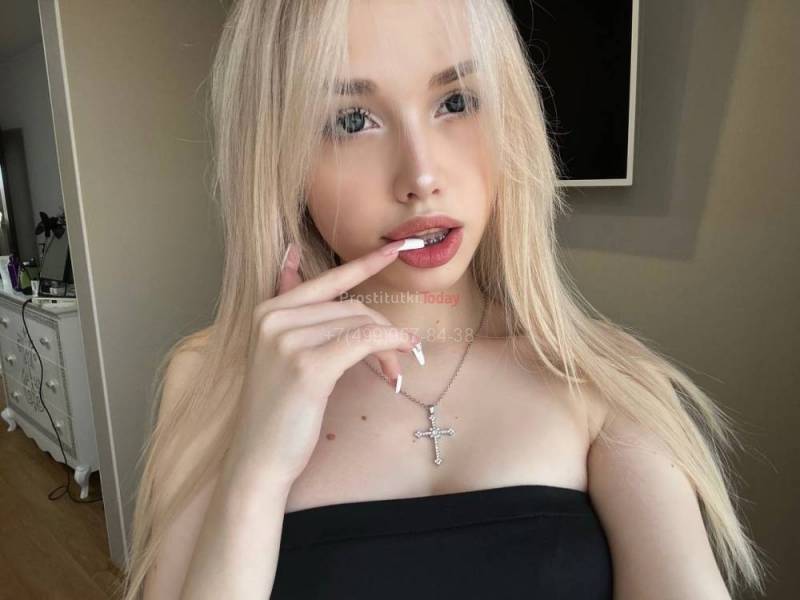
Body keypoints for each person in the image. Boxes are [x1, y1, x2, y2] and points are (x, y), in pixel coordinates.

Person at [120, 1, 768, 598]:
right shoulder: (211, 380)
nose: (421, 176)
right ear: (278, 158)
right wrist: (257, 469)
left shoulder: (610, 381)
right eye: (351, 120)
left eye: (456, 101)